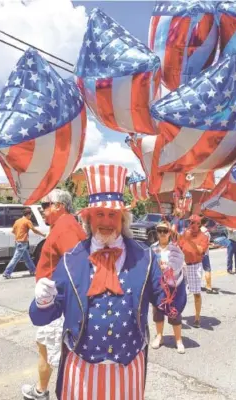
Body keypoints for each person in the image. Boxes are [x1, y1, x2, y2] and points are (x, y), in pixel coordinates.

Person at [29, 164, 187, 400]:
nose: (106, 221)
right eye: (99, 214)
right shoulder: (71, 260)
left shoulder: (145, 257)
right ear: (89, 219)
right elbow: (42, 317)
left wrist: (176, 279)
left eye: (112, 214)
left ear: (123, 219)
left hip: (128, 367)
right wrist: (43, 301)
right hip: (80, 368)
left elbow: (170, 308)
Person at [22, 189, 86, 400]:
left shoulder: (66, 227)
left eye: (46, 205)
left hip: (57, 304)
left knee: (52, 352)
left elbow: (76, 268)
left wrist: (60, 297)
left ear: (60, 206)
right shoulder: (63, 225)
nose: (42, 209)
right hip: (53, 301)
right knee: (47, 349)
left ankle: (54, 392)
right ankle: (42, 390)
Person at [150, 221, 185, 354]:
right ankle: (159, 337)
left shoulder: (175, 248)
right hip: (158, 286)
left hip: (172, 286)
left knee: (174, 312)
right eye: (160, 231)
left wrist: (170, 268)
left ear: (170, 233)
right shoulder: (152, 248)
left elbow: (180, 263)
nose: (162, 233)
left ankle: (178, 340)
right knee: (158, 312)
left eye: (165, 231)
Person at [178, 215, 209, 328]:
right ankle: (178, 315)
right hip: (183, 265)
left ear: (199, 224)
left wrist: (190, 241)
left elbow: (200, 250)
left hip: (195, 266)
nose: (191, 224)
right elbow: (179, 246)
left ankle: (197, 318)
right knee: (180, 292)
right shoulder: (186, 233)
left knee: (196, 293)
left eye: (193, 222)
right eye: (190, 222)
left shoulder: (203, 237)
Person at [3, 207, 46, 279]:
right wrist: (43, 235)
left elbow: (13, 231)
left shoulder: (17, 221)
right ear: (28, 214)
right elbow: (34, 230)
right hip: (23, 242)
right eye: (30, 215)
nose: (31, 216)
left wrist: (19, 235)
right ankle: (7, 272)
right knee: (15, 258)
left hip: (18, 242)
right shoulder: (27, 221)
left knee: (27, 258)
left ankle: (33, 270)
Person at [200, 217, 218, 294]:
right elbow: (206, 244)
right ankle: (208, 287)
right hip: (204, 254)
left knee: (196, 270)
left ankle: (194, 285)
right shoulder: (206, 232)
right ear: (206, 223)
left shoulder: (195, 230)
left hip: (195, 254)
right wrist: (212, 245)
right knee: (207, 270)